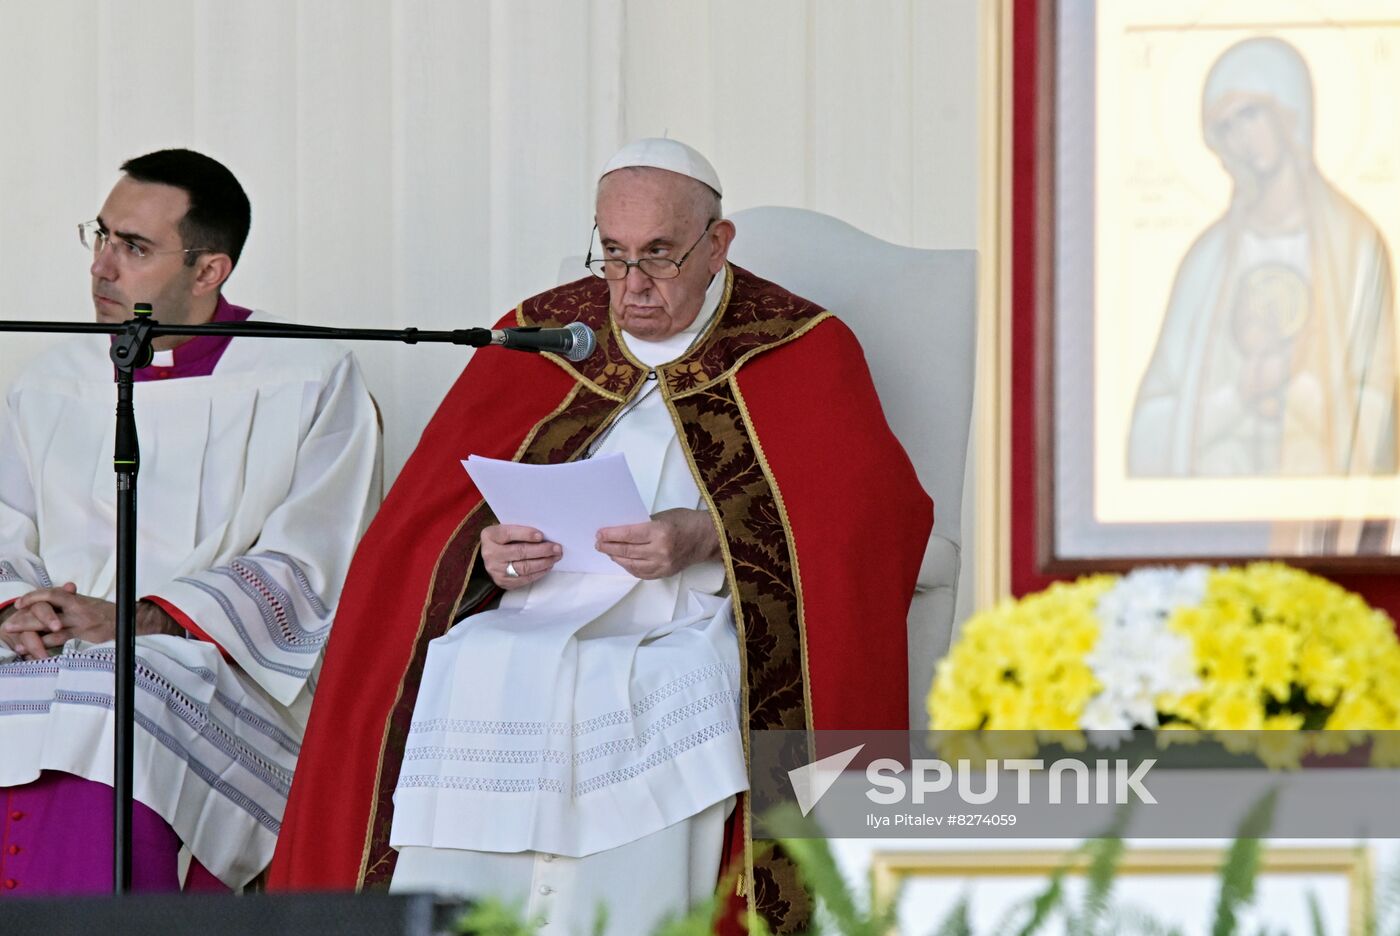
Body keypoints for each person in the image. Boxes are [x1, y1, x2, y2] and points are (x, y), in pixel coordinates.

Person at [270, 139, 931, 935]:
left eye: (659, 256)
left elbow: (871, 523)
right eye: (612, 256)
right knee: (467, 662)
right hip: (535, 612)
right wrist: (486, 555)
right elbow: (426, 526)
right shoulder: (547, 332)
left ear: (716, 245)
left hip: (695, 620)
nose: (631, 287)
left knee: (660, 686)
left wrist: (708, 534)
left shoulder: (799, 344)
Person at [0, 148, 381, 894]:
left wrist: (134, 620)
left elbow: (311, 564)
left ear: (210, 271)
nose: (102, 268)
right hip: (47, 654)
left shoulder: (306, 376)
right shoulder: (50, 381)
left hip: (211, 670)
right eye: (101, 236)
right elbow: (5, 525)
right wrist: (20, 610)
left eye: (134, 247)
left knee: (116, 698)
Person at [1128, 37, 1398, 479]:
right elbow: (1149, 432)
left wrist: (1302, 392)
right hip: (1216, 505)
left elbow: (1382, 410)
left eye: (1250, 115)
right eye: (1226, 127)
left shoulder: (1357, 248)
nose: (1240, 138)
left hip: (1321, 515)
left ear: (1289, 111)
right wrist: (1236, 398)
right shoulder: (1207, 261)